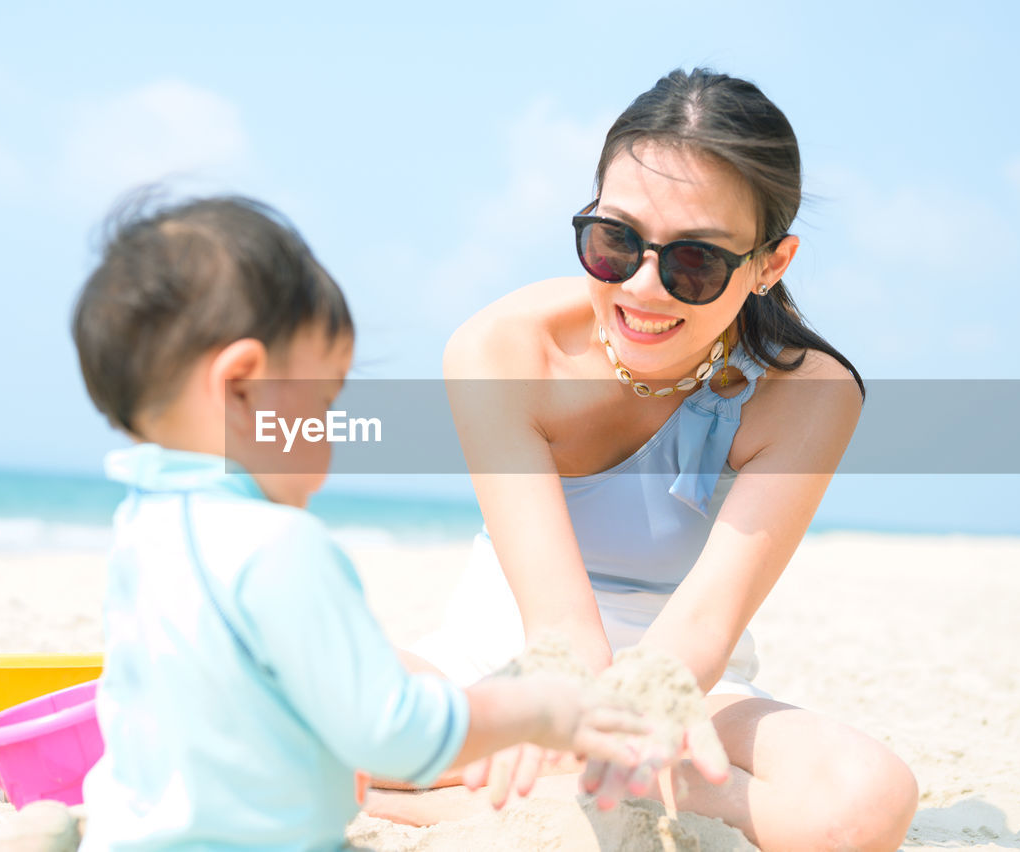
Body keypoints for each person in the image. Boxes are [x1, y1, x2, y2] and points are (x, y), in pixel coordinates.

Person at [380, 69, 919, 851]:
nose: (643, 287)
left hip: (686, 687)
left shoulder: (811, 394)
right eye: (616, 241)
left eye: (693, 262)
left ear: (771, 264)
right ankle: (532, 791)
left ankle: (481, 788)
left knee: (866, 801)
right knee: (273, 689)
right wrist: (547, 707)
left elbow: (700, 630)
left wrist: (637, 718)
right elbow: (559, 636)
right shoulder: (502, 351)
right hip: (500, 662)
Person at [68, 195, 684, 851]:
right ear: (242, 387)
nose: (332, 436)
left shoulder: (142, 529)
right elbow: (392, 733)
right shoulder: (280, 547)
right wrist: (536, 709)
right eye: (325, 400)